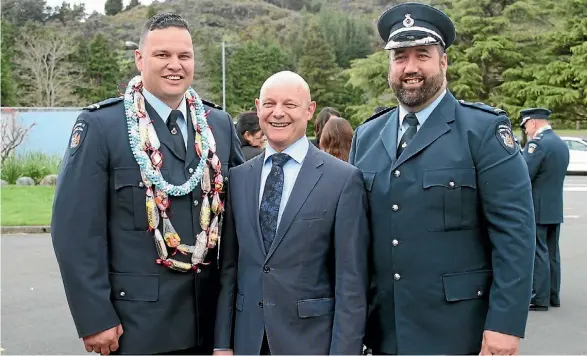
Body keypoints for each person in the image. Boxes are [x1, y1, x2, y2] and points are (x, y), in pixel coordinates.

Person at [51, 13, 245, 355]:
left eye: (184, 56)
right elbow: (76, 230)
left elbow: (240, 218)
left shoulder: (218, 125)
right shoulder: (103, 126)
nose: (175, 65)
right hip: (138, 327)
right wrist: (94, 317)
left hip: (212, 326)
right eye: (162, 55)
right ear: (140, 59)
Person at [349, 2, 536, 355]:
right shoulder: (368, 136)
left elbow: (515, 235)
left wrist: (505, 325)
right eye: (400, 57)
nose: (410, 67)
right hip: (384, 330)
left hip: (459, 330)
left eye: (423, 55)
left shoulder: (482, 131)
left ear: (443, 62)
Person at [213, 71, 369, 355]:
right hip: (247, 341)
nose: (278, 113)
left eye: (290, 104)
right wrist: (222, 343)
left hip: (310, 342)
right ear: (258, 107)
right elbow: (230, 269)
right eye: (270, 104)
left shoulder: (342, 179)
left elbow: (351, 281)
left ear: (310, 110)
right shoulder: (238, 178)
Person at [520, 108, 570, 311]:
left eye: (525, 127)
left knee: (538, 252)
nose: (525, 131)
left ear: (532, 123)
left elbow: (524, 174)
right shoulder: (559, 143)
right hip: (554, 206)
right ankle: (552, 295)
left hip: (537, 206)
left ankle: (538, 298)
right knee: (551, 252)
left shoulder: (537, 144)